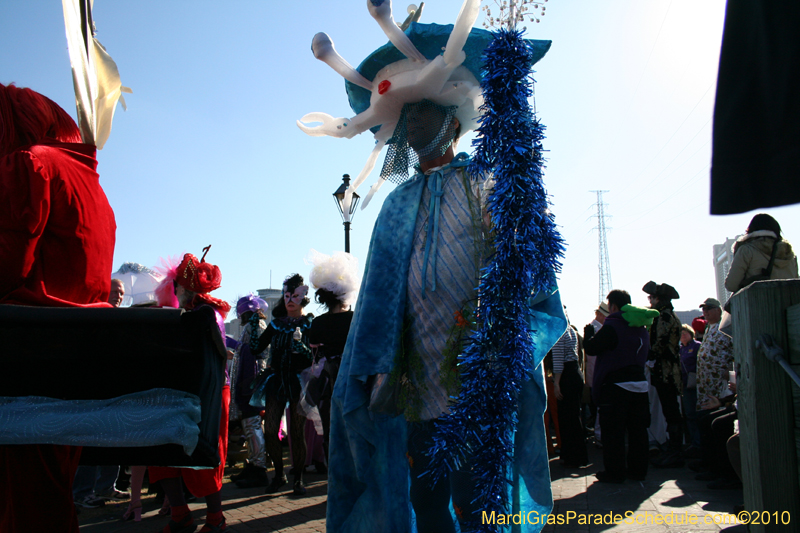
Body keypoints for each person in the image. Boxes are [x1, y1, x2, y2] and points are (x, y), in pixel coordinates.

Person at [0, 82, 116, 533]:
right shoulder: (93, 186)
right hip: (77, 364)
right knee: (47, 493)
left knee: (25, 503)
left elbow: (7, 266)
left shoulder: (29, 163)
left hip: (25, 362)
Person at [150, 250, 231, 533]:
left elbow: (218, 354)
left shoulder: (209, 315)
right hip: (179, 390)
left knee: (207, 451)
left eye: (179, 286)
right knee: (162, 449)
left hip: (210, 391)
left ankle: (215, 518)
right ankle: (180, 515)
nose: (176, 291)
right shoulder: (180, 315)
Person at [250, 274, 314, 496]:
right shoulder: (276, 325)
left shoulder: (309, 324)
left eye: (295, 296)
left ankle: (299, 478)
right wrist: (252, 326)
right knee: (269, 430)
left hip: (297, 382)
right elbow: (257, 349)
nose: (290, 300)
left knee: (297, 433)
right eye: (287, 295)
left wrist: (302, 348)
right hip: (276, 380)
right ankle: (279, 474)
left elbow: (312, 357)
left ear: (303, 298)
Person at [583, 290, 656, 483]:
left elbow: (592, 348)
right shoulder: (641, 327)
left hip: (615, 388)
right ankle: (638, 471)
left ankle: (615, 473)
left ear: (613, 306)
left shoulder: (613, 326)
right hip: (640, 386)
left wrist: (588, 334)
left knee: (613, 433)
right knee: (638, 432)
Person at [73, 279, 130, 509]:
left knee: (114, 439)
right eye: (115, 291)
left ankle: (107, 486)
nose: (118, 296)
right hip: (93, 389)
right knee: (91, 440)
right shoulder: (92, 316)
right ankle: (81, 492)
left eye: (122, 293)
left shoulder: (121, 320)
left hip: (114, 389)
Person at [306, 250, 359, 461]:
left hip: (328, 382)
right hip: (353, 378)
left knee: (331, 429)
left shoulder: (318, 323)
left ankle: (334, 478)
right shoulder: (355, 318)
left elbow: (314, 353)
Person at [642, 281, 684, 468]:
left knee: (671, 412)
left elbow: (659, 344)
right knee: (671, 411)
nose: (650, 301)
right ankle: (674, 449)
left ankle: (675, 452)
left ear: (659, 299)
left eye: (652, 298)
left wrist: (648, 355)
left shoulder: (664, 317)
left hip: (665, 371)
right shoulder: (670, 315)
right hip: (668, 370)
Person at [230, 294, 270, 489]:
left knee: (253, 425)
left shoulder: (257, 326)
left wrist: (254, 384)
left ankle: (259, 468)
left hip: (252, 384)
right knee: (249, 425)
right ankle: (253, 464)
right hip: (247, 383)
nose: (241, 317)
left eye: (243, 313)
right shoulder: (251, 326)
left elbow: (260, 354)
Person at [724, 213, 799, 293]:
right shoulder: (790, 254)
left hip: (758, 302)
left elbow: (731, 285)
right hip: (790, 303)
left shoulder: (746, 250)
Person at [552, 317, 588, 467]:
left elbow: (558, 360)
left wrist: (556, 383)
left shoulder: (559, 332)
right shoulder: (571, 330)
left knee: (566, 417)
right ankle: (577, 455)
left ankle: (571, 456)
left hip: (566, 375)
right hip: (575, 372)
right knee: (574, 416)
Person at [679, 323, 701, 455]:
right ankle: (693, 442)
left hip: (696, 384)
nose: (683, 336)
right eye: (680, 334)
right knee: (689, 415)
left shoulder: (697, 346)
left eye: (685, 333)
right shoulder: (681, 349)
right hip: (685, 386)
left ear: (691, 333)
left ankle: (698, 443)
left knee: (697, 414)